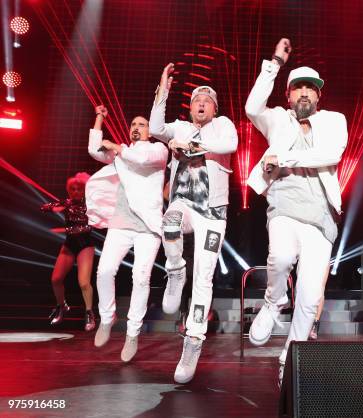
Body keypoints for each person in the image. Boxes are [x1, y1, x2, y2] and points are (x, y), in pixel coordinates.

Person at [245, 38, 348, 387]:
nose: (305, 93)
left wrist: (284, 158)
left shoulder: (334, 120)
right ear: (288, 95)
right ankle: (273, 302)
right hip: (285, 206)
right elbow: (251, 106)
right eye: (298, 88)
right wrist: (274, 63)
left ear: (319, 95)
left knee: (309, 298)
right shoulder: (276, 119)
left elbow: (330, 154)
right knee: (282, 254)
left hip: (322, 217)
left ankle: (291, 358)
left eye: (311, 88)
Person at [149, 64, 238, 383]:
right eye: (196, 99)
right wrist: (163, 90)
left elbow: (230, 145)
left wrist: (193, 148)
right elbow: (156, 128)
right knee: (169, 222)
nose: (201, 103)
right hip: (183, 204)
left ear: (215, 108)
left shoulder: (223, 126)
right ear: (189, 108)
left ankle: (193, 341)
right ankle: (174, 270)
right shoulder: (180, 127)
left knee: (203, 277)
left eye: (207, 100)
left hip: (213, 213)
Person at [86, 105, 168, 362]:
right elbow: (94, 150)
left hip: (148, 226)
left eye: (141, 124)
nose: (136, 127)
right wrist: (100, 118)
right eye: (133, 124)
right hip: (121, 221)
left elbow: (141, 159)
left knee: (140, 277)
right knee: (104, 271)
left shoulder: (158, 150)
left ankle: (132, 332)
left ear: (149, 131)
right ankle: (107, 317)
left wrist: (117, 147)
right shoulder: (121, 154)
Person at [41, 172, 96, 331]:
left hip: (85, 245)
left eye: (79, 188)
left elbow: (88, 227)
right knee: (55, 279)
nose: (76, 191)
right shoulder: (67, 203)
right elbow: (44, 206)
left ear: (85, 189)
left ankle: (89, 312)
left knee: (84, 283)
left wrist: (64, 228)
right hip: (69, 245)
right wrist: (54, 207)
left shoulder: (91, 205)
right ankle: (61, 306)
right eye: (72, 188)